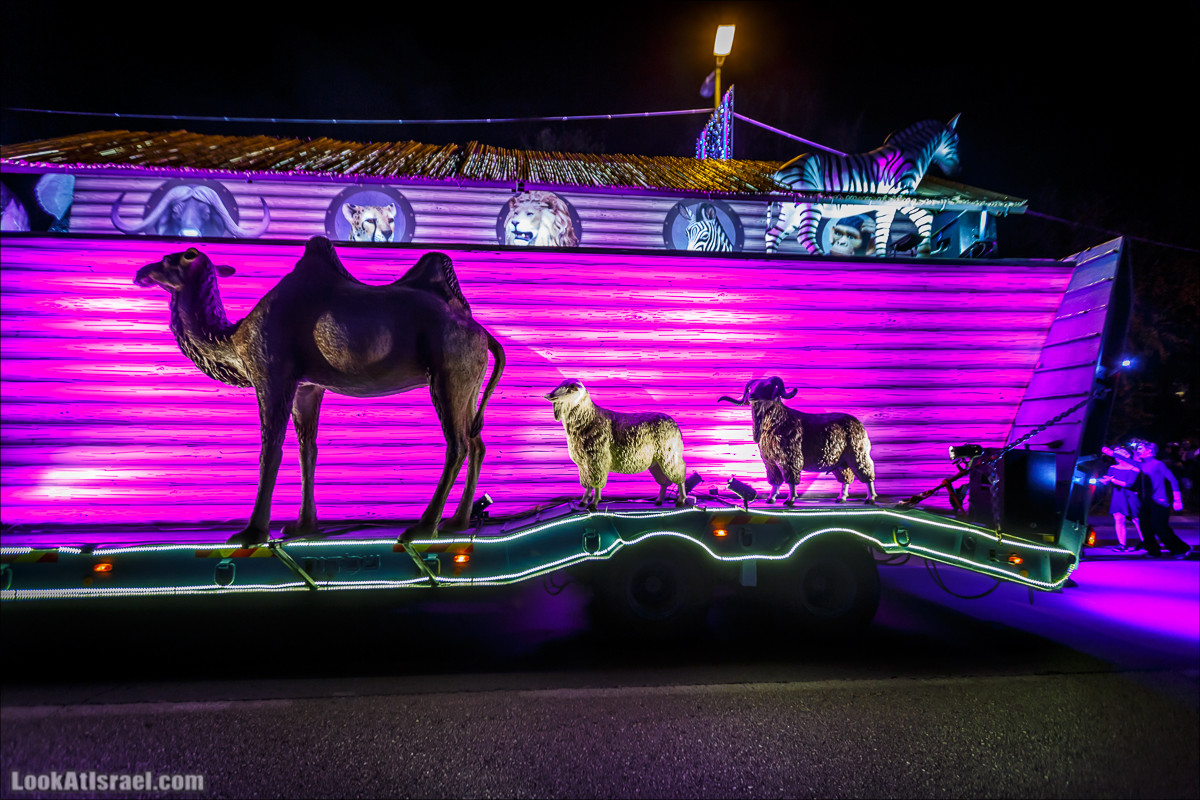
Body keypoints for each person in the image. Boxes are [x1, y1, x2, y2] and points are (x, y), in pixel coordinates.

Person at [1131, 440, 1190, 558]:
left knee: (1160, 527)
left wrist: (1177, 500)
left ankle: (1181, 549)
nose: (1138, 450)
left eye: (1140, 448)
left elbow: (1173, 480)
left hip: (1160, 501)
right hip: (1146, 501)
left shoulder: (1158, 464)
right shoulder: (1142, 464)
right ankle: (1153, 551)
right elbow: (1127, 460)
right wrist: (1106, 451)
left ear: (1150, 451)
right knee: (1144, 526)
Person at [1099, 446, 1143, 551]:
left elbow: (1129, 484)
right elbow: (1107, 480)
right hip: (1118, 496)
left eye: (1121, 453)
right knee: (1118, 518)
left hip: (1130, 496)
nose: (1117, 456)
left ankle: (1146, 541)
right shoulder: (1113, 467)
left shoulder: (1134, 468)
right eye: (1116, 454)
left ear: (1128, 455)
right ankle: (1122, 544)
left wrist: (1113, 480)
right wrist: (1104, 481)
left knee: (1136, 519)